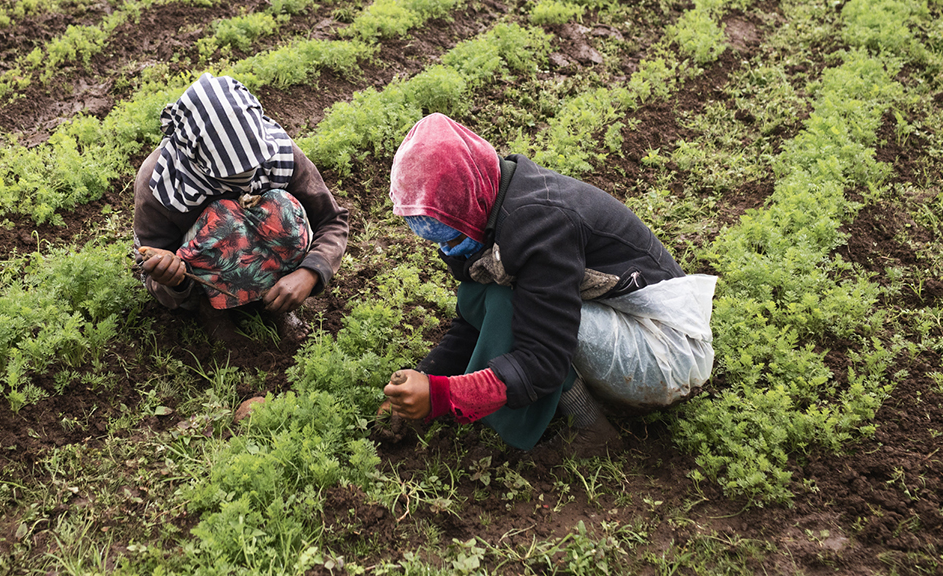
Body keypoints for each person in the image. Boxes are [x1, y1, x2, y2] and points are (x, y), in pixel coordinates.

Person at [381, 114, 716, 456]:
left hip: (664, 354)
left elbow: (543, 358)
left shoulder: (540, 225)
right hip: (619, 324)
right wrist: (421, 380)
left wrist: (443, 396)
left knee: (510, 303)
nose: (449, 249)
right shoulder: (490, 197)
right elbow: (472, 319)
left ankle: (592, 428)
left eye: (452, 236)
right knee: (479, 293)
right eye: (438, 241)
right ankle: (573, 398)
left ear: (469, 202)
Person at [134, 74, 349, 346]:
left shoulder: (277, 151)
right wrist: (171, 277)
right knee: (223, 217)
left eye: (253, 166)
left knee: (280, 207)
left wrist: (310, 273)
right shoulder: (162, 180)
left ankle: (276, 300)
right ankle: (211, 312)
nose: (247, 177)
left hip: (271, 262)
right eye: (232, 173)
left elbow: (331, 220)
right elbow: (149, 267)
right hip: (203, 279)